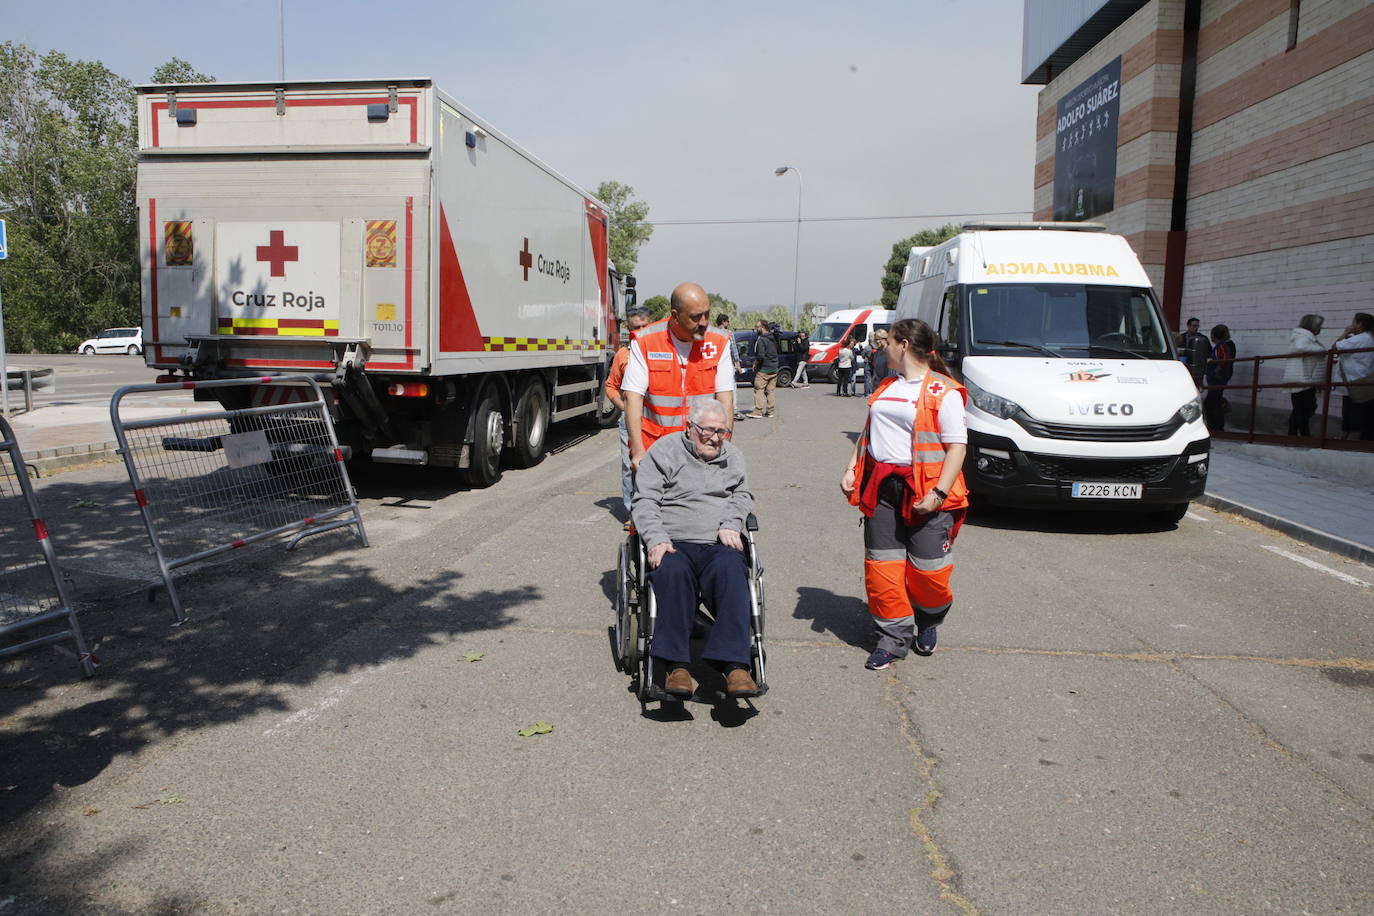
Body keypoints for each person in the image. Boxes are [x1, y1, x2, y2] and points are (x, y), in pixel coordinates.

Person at [839, 318, 968, 670]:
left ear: (904, 345)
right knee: (883, 569)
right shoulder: (886, 386)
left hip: (927, 493)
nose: (883, 346)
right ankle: (893, 637)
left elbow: (957, 447)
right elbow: (868, 433)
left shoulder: (945, 391)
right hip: (881, 489)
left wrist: (939, 493)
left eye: (889, 341)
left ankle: (929, 618)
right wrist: (852, 467)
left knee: (929, 572)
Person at [633, 400, 759, 699]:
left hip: (718, 542)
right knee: (672, 572)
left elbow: (742, 495)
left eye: (722, 431)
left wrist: (731, 522)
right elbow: (645, 499)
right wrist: (655, 537)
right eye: (708, 431)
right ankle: (676, 666)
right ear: (690, 428)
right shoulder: (665, 451)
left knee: (731, 569)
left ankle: (735, 665)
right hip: (673, 542)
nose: (715, 438)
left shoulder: (732, 456)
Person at [622, 282, 735, 474]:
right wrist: (639, 451)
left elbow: (725, 401)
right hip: (655, 450)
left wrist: (723, 447)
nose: (704, 322)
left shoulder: (718, 342)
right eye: (695, 317)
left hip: (701, 450)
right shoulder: (647, 341)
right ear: (675, 315)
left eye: (707, 314)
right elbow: (632, 398)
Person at [604, 306, 652, 522]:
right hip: (629, 421)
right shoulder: (623, 355)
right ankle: (633, 513)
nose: (640, 332)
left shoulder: (661, 352)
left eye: (644, 327)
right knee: (629, 465)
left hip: (656, 418)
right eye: (636, 328)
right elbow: (611, 386)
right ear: (628, 329)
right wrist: (624, 408)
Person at [1282, 314, 1326, 437]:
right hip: (1303, 378)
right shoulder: (1303, 337)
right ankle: (1302, 436)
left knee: (1302, 409)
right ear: (1313, 326)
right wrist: (1321, 350)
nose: (1321, 329)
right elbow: (1299, 347)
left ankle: (1294, 435)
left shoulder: (1304, 337)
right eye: (1319, 326)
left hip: (1304, 378)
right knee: (1303, 409)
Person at [1334, 312, 1374, 441]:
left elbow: (1334, 348)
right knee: (1358, 413)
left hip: (1354, 382)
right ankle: (1349, 437)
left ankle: (1351, 440)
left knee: (1353, 413)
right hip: (1363, 380)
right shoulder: (1369, 337)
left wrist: (1345, 333)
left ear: (1360, 323)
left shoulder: (1361, 338)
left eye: (1354, 322)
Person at [1203, 324, 1236, 432]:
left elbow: (1224, 359)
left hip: (1217, 379)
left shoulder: (1221, 346)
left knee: (1212, 402)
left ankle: (1215, 427)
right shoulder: (1223, 345)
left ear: (1215, 335)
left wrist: (1217, 369)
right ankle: (1216, 426)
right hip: (1217, 379)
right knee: (1214, 401)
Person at [744, 319, 779, 419]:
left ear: (763, 327)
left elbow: (761, 356)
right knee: (770, 391)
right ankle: (770, 411)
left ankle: (758, 411)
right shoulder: (773, 338)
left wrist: (755, 363)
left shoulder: (761, 339)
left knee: (759, 389)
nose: (756, 329)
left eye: (757, 327)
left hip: (764, 369)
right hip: (774, 368)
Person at [1178, 317, 1209, 389]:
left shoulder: (1202, 339)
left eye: (1197, 326)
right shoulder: (1181, 337)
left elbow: (1208, 351)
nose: (1196, 328)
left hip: (1196, 365)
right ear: (1188, 326)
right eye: (1194, 326)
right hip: (1184, 364)